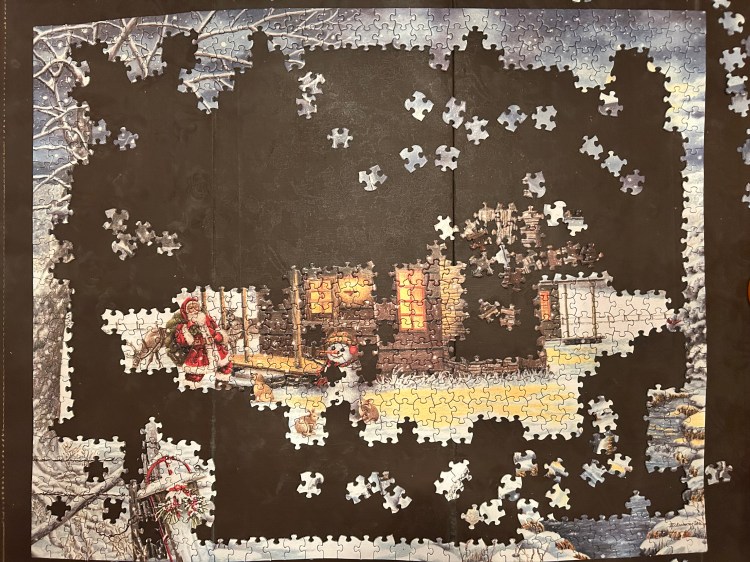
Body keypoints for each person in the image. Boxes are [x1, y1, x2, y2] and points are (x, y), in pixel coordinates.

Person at [174, 297, 232, 389]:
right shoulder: (184, 326)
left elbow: (216, 329)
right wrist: (191, 336)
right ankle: (191, 387)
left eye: (196, 307)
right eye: (191, 308)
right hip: (199, 351)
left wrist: (219, 336)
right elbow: (181, 340)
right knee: (195, 372)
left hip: (215, 348)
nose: (194, 310)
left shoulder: (207, 318)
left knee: (225, 364)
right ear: (186, 311)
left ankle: (222, 384)